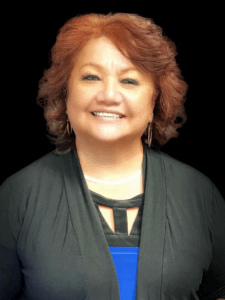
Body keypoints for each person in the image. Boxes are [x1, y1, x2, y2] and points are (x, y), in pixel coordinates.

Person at [0, 12, 224, 300]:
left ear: (155, 99)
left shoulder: (200, 194)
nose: (108, 95)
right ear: (65, 93)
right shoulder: (18, 195)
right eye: (91, 77)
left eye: (129, 81)